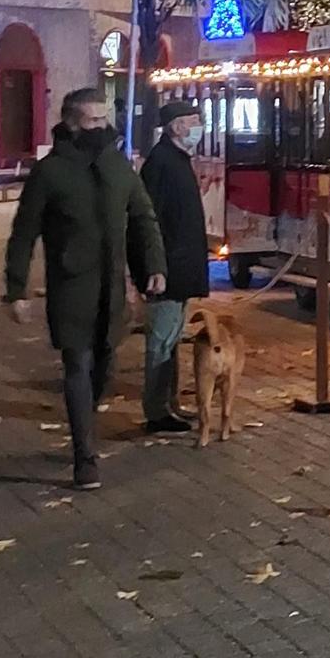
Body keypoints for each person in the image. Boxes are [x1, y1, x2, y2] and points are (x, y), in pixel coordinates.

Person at [4, 88, 166, 490]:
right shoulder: (50, 173)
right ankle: (84, 457)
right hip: (71, 286)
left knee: (106, 364)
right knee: (77, 364)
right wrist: (16, 288)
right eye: (93, 120)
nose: (101, 126)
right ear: (73, 123)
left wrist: (154, 266)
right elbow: (24, 233)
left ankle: (85, 421)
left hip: (112, 288)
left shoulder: (117, 165)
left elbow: (143, 217)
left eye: (103, 118)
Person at [138, 100, 211, 434]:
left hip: (180, 266)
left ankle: (170, 404)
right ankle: (156, 411)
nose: (199, 126)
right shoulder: (162, 163)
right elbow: (148, 219)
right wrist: (155, 267)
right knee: (161, 341)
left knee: (171, 339)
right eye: (194, 120)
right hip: (167, 269)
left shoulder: (176, 159)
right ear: (177, 126)